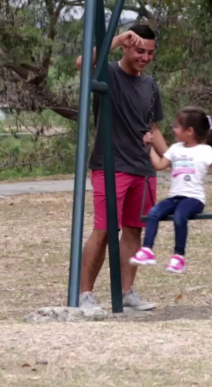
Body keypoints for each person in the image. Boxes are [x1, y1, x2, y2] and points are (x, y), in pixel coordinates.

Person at [75, 24, 166, 311]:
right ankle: (85, 294)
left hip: (143, 168)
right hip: (111, 165)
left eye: (150, 53)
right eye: (140, 51)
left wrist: (173, 157)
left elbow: (153, 127)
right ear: (126, 47)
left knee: (134, 229)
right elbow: (82, 63)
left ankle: (127, 293)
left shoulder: (150, 85)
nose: (145, 57)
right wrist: (116, 39)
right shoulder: (108, 73)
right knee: (104, 230)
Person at [130, 106, 212, 274]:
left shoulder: (205, 150)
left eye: (177, 126)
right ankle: (147, 250)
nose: (174, 129)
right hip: (175, 197)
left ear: (190, 131)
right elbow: (159, 165)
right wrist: (149, 147)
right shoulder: (175, 148)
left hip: (194, 199)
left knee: (179, 216)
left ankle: (178, 257)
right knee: (153, 212)